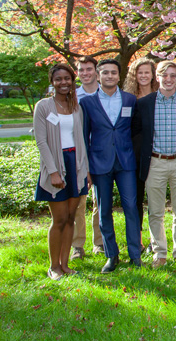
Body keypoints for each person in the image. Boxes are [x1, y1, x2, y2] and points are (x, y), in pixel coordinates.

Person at [132, 60, 176, 268]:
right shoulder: (144, 103)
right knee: (156, 211)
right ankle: (159, 253)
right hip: (155, 162)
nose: (169, 79)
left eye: (173, 75)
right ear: (157, 77)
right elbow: (136, 131)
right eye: (165, 75)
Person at [80, 59, 142, 273]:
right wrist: (86, 167)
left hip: (125, 163)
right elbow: (84, 136)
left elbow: (134, 130)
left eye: (113, 73)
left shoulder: (130, 100)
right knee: (104, 210)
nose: (109, 76)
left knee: (131, 208)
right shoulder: (87, 103)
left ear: (119, 76)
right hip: (99, 164)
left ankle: (135, 254)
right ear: (98, 76)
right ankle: (111, 255)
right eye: (105, 73)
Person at [33, 64, 89, 280]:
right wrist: (53, 171)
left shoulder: (76, 105)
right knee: (59, 219)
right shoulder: (44, 106)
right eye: (59, 79)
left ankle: (65, 265)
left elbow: (81, 139)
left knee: (71, 218)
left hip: (75, 164)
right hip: (56, 164)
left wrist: (85, 170)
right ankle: (53, 267)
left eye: (67, 78)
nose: (63, 82)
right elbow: (41, 141)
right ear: (52, 81)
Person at [123, 57, 159, 249]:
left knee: (155, 201)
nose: (144, 75)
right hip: (134, 154)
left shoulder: (160, 96)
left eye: (147, 72)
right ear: (134, 75)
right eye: (140, 72)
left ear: (153, 75)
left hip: (156, 153)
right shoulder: (128, 98)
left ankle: (156, 241)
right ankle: (137, 241)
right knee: (135, 199)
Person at [71, 56, 103, 259]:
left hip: (100, 153)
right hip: (77, 154)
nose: (85, 73)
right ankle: (77, 245)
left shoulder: (106, 94)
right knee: (78, 202)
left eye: (89, 69)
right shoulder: (72, 96)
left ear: (96, 71)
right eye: (81, 70)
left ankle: (99, 242)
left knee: (100, 201)